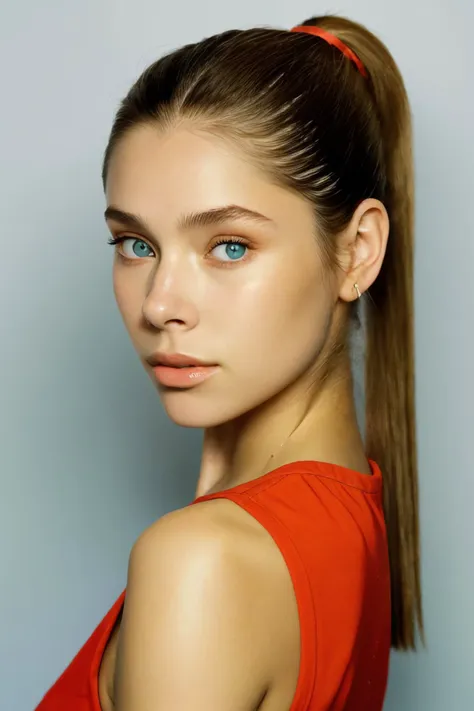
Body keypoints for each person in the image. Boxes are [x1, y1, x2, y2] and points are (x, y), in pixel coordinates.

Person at [35, 13, 424, 711]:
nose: (160, 304)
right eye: (136, 244)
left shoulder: (203, 563)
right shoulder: (348, 514)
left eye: (230, 245)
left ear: (359, 250)